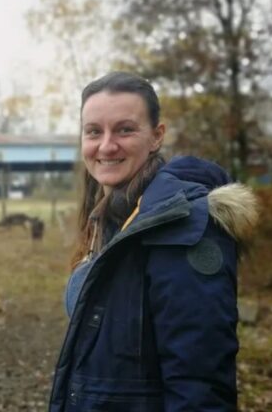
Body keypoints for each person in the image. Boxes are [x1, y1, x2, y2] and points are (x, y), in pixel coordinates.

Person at [48, 72, 259, 411]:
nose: (106, 145)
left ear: (157, 136)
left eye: (125, 129)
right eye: (93, 132)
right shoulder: (109, 218)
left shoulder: (185, 228)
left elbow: (199, 387)